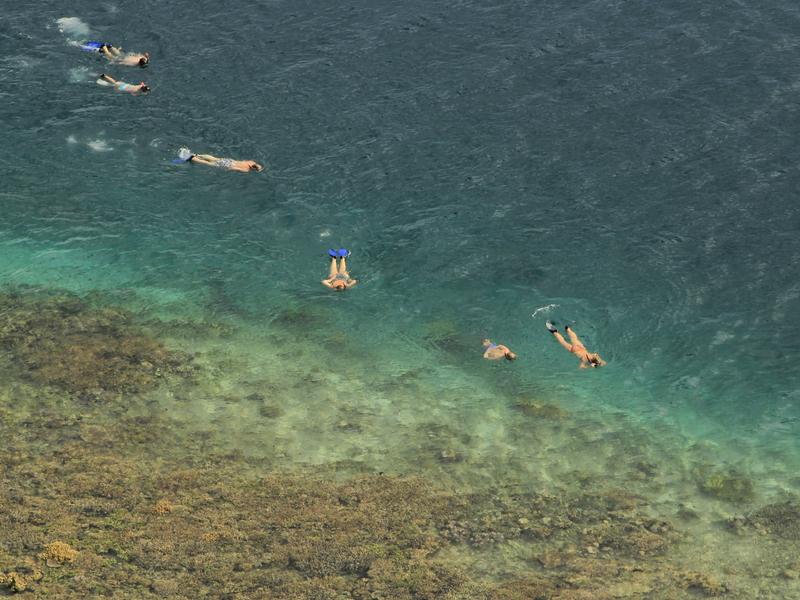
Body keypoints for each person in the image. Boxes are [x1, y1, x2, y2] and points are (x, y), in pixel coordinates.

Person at [177, 148, 263, 173]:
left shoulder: (250, 161)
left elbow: (241, 161)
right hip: (228, 165)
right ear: (254, 169)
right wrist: (227, 170)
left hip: (230, 161)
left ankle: (196, 155)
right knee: (208, 164)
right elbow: (236, 169)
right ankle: (191, 158)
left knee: (214, 158)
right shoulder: (246, 170)